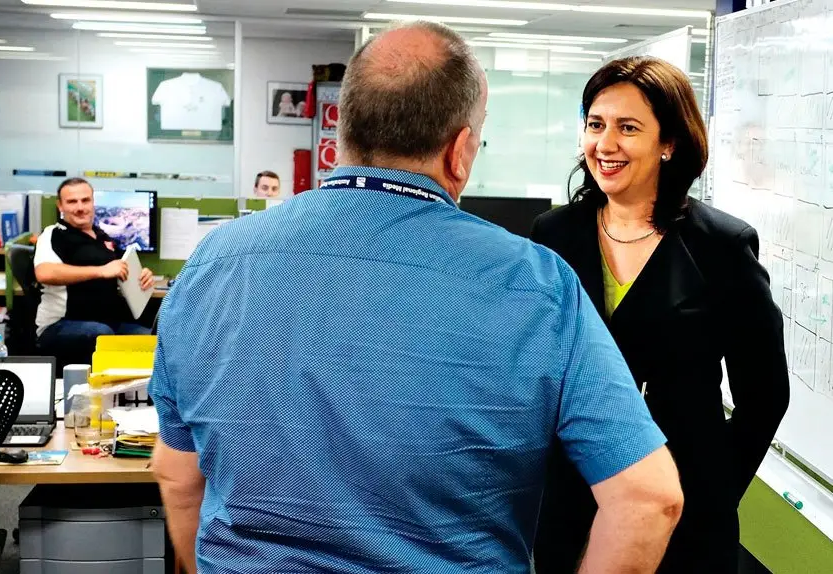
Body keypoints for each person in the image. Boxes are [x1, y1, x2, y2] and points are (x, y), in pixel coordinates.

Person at [150, 23, 684, 574]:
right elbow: (648, 499)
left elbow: (177, 475)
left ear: (344, 131)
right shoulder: (535, 285)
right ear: (459, 151)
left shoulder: (214, 265)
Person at [530, 56, 790, 573]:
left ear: (668, 143)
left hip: (685, 510)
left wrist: (712, 491)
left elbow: (765, 395)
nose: (605, 144)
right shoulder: (552, 235)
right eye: (595, 125)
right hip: (572, 504)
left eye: (628, 128)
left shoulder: (720, 246)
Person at [35, 178, 155, 366]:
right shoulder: (54, 234)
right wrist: (101, 271)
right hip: (60, 325)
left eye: (85, 200)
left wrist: (143, 275)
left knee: (152, 341)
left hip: (108, 322)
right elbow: (45, 272)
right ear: (60, 205)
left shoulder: (102, 237)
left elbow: (123, 267)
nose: (80, 207)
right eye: (72, 202)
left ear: (93, 202)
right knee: (102, 335)